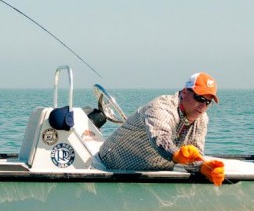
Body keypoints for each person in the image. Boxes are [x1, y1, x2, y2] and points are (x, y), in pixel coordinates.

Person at [96, 73, 225, 185]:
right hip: (108, 168)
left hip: (150, 175)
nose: (203, 106)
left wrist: (203, 167)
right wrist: (176, 154)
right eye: (200, 98)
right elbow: (160, 139)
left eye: (208, 102)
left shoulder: (202, 119)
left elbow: (195, 154)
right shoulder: (161, 107)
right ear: (185, 92)